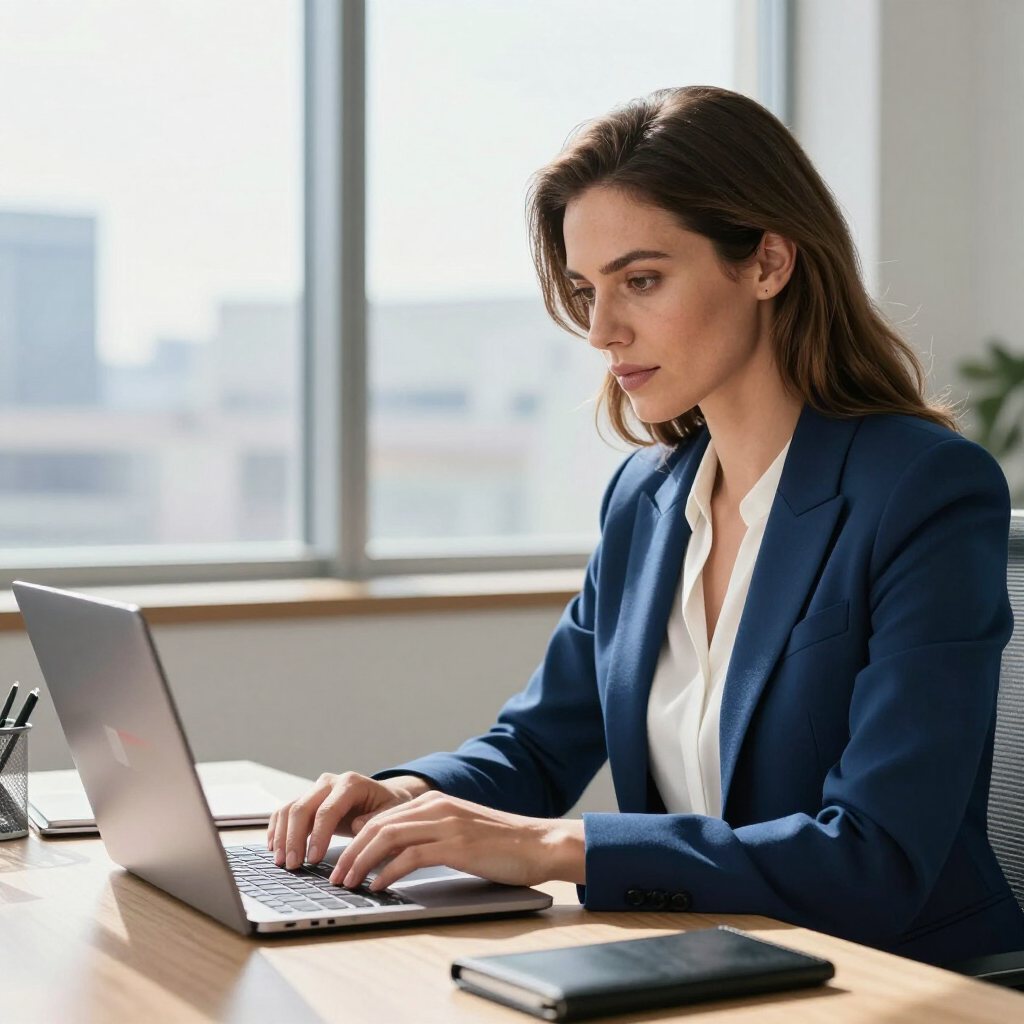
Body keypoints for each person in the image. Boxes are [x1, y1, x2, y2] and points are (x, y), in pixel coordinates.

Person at [267, 85, 1024, 965]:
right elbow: (537, 744)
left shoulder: (921, 488)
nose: (601, 328)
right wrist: (400, 795)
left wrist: (557, 846)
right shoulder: (647, 498)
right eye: (587, 289)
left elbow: (875, 857)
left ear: (768, 264)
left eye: (642, 280)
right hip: (706, 959)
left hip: (902, 978)